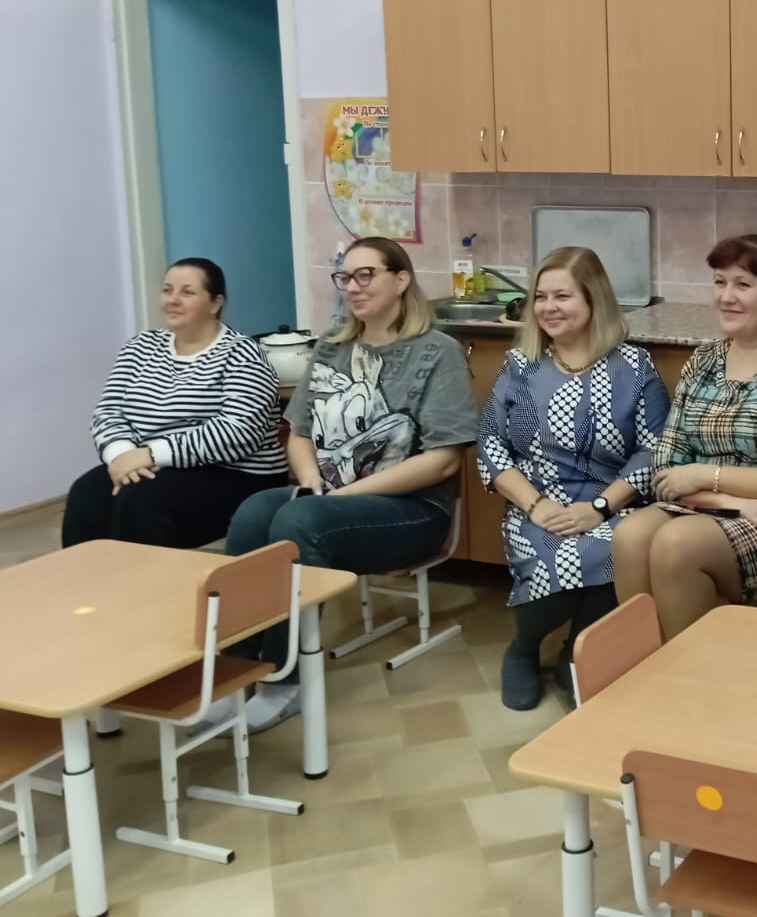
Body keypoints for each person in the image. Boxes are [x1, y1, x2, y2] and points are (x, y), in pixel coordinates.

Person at [226, 236, 478, 731]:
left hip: (413, 511)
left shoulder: (437, 351)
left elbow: (443, 463)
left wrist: (332, 498)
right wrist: (311, 482)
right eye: (345, 277)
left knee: (301, 521)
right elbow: (298, 432)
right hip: (329, 498)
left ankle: (285, 680)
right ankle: (233, 673)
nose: (353, 287)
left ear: (401, 280)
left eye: (366, 275)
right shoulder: (332, 346)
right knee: (254, 513)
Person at [612, 234, 757, 639]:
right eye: (720, 282)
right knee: (629, 536)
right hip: (711, 507)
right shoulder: (704, 360)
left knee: (677, 545)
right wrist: (732, 502)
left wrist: (706, 475)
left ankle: (692, 675)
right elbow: (668, 469)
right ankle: (646, 669)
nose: (727, 296)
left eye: (743, 284)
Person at [478, 247, 670, 710]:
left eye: (562, 296)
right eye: (540, 297)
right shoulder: (520, 365)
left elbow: (655, 450)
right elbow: (490, 443)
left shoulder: (634, 366)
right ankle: (523, 649)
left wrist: (600, 508)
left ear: (593, 298)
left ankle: (576, 652)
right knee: (553, 555)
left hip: (614, 501)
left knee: (612, 549)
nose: (549, 307)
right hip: (537, 500)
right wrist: (535, 505)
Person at [64, 258, 286, 549]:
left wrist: (151, 455)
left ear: (215, 303)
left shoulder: (243, 354)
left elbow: (238, 431)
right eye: (167, 290)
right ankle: (91, 579)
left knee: (141, 500)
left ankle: (153, 579)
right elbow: (108, 411)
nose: (173, 300)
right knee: (87, 494)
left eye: (187, 292)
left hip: (237, 473)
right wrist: (122, 455)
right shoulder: (139, 347)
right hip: (153, 465)